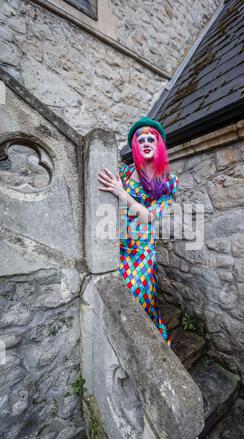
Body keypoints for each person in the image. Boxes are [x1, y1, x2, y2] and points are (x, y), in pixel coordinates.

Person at [97, 117, 179, 348]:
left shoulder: (169, 181)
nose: (145, 142)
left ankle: (147, 345)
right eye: (140, 139)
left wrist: (122, 194)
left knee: (139, 296)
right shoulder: (124, 173)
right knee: (117, 297)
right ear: (135, 146)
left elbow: (149, 217)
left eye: (150, 138)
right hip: (117, 246)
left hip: (142, 251)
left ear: (158, 144)